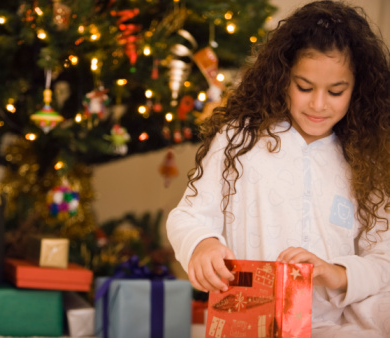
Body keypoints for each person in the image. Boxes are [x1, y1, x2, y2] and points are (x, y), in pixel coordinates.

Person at [166, 1, 390, 336]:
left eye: (336, 91)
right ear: (283, 77)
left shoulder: (365, 158)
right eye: (304, 87)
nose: (318, 104)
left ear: (357, 90)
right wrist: (202, 244)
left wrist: (335, 273)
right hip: (246, 320)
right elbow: (188, 216)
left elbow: (383, 260)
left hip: (328, 326)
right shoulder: (240, 139)